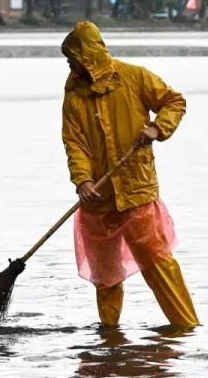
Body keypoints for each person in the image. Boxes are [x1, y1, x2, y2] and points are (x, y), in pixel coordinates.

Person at [60, 21, 199, 328]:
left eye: (73, 58)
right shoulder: (73, 96)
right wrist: (82, 180)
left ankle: (187, 326)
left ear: (88, 56)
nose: (69, 64)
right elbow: (74, 142)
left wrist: (156, 128)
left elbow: (174, 102)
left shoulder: (134, 77)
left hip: (136, 191)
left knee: (159, 264)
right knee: (105, 276)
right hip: (98, 198)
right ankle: (109, 332)